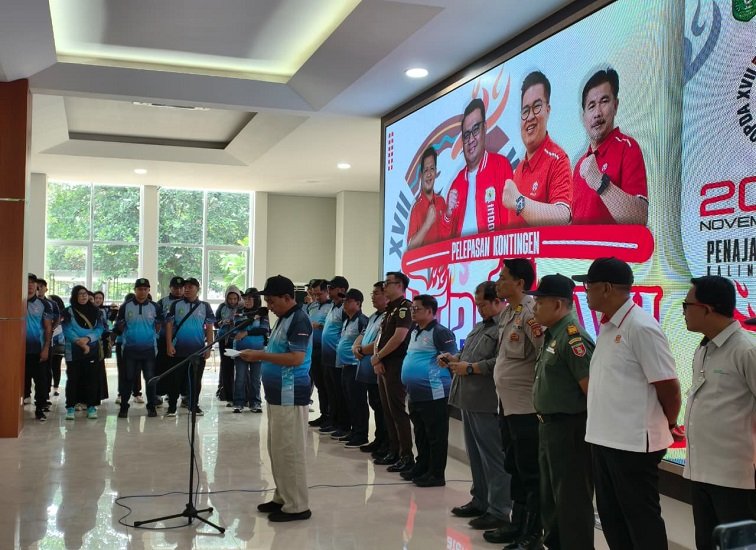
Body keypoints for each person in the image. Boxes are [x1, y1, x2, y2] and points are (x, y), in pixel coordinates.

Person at [572, 257, 681, 550]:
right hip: (604, 439)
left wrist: (667, 422)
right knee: (612, 518)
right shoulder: (609, 326)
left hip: (633, 445)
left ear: (607, 288)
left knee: (640, 519)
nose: (585, 291)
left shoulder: (641, 327)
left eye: (589, 285)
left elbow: (668, 387)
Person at [681, 275, 756, 550]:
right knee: (707, 543)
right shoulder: (704, 348)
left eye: (686, 305)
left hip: (734, 477)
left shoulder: (746, 350)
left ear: (707, 309)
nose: (684, 312)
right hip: (700, 471)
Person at [526, 274, 595, 550]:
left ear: (557, 304)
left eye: (540, 302)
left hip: (570, 429)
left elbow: (591, 391)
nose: (534, 307)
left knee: (571, 501)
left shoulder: (573, 338)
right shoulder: (553, 334)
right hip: (550, 428)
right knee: (551, 499)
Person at [242, 275, 313, 522]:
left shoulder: (299, 319)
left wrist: (259, 355)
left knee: (290, 451)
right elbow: (278, 350)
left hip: (290, 394)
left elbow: (296, 358)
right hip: (277, 394)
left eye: (272, 301)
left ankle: (298, 506)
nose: (269, 306)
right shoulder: (284, 318)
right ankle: (283, 496)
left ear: (287, 297)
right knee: (278, 449)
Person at [485, 259, 544, 549]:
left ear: (520, 283)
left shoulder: (532, 314)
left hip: (526, 409)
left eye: (503, 278)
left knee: (530, 472)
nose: (498, 282)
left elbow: (544, 357)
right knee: (514, 467)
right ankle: (517, 523)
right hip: (507, 407)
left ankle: (533, 533)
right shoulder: (509, 312)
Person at [444, 281, 512, 530]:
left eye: (483, 304)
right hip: (468, 399)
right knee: (476, 457)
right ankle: (480, 500)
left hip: (487, 401)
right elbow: (469, 355)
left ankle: (499, 510)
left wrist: (472, 368)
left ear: (497, 301)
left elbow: (502, 361)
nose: (479, 309)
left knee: (493, 459)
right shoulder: (481, 326)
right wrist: (454, 359)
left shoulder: (505, 327)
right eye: (477, 304)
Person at [572, 68, 649, 225]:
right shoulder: (579, 165)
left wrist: (600, 183)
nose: (597, 113)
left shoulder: (628, 148)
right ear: (583, 116)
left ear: (615, 105)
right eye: (591, 106)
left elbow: (639, 218)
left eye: (604, 101)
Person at [502, 71, 571, 228]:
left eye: (537, 107)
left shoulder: (558, 160)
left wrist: (519, 202)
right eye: (525, 110)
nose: (530, 117)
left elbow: (563, 216)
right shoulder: (518, 170)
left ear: (548, 109)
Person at [401, 294, 457, 486]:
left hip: (435, 393)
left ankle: (436, 474)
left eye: (416, 309)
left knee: (436, 436)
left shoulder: (440, 332)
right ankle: (422, 466)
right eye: (412, 309)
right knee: (421, 434)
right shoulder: (414, 331)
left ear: (430, 311)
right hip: (415, 394)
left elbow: (452, 358)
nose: (413, 312)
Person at [438, 98, 514, 238]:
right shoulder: (457, 183)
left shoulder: (501, 166)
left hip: (494, 251)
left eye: (475, 129)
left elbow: (512, 220)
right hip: (461, 252)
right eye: (466, 135)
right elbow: (444, 239)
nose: (471, 139)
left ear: (484, 128)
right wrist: (448, 215)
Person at [372, 271, 415, 473]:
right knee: (387, 410)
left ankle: (406, 455)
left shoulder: (405, 308)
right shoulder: (390, 310)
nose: (384, 286)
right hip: (384, 364)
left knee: (397, 410)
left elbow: (399, 337)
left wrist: (379, 356)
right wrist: (377, 358)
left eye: (387, 283)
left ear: (399, 286)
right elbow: (381, 337)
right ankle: (393, 450)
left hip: (396, 364)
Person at [164, 277, 215, 417]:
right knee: (175, 380)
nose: (186, 289)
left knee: (195, 380)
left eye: (190, 287)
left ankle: (193, 405)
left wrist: (208, 347)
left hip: (198, 350)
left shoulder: (205, 306)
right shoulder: (176, 305)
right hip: (178, 349)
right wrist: (169, 344)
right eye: (185, 287)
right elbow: (169, 325)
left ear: (197, 289)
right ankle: (172, 407)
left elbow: (209, 327)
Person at [352, 282, 389, 455]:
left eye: (376, 293)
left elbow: (380, 342)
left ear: (386, 294)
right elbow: (362, 335)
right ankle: (378, 439)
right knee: (375, 405)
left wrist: (361, 350)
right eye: (372, 293)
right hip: (367, 370)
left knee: (383, 408)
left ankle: (386, 443)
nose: (372, 297)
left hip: (380, 370)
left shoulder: (388, 316)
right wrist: (356, 346)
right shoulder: (374, 316)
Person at [115, 278, 161, 418]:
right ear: (135, 290)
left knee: (150, 379)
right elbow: (119, 325)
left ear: (149, 290)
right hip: (130, 350)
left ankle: (151, 407)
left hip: (149, 350)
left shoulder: (155, 307)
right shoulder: (126, 306)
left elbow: (158, 325)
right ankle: (124, 407)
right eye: (140, 289)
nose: (142, 292)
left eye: (145, 289)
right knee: (128, 378)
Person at [62, 285, 106, 420]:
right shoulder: (68, 311)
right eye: (80, 294)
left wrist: (87, 339)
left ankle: (91, 406)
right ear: (75, 296)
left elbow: (100, 328)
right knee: (73, 379)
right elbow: (67, 329)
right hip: (73, 350)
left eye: (85, 293)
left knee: (91, 379)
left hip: (92, 349)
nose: (83, 296)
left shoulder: (96, 311)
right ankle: (70, 407)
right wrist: (79, 342)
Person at [336, 288, 369, 447]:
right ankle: (353, 430)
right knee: (348, 400)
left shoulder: (362, 320)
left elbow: (364, 342)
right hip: (346, 366)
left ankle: (361, 434)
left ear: (358, 303)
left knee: (358, 401)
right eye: (344, 301)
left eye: (348, 301)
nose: (344, 304)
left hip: (356, 366)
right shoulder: (347, 320)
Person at [320, 276, 350, 438]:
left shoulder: (345, 309)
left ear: (341, 290)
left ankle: (343, 424)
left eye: (331, 288)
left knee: (340, 393)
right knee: (331, 392)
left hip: (337, 358)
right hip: (327, 357)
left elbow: (346, 332)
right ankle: (333, 420)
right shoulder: (333, 306)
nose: (328, 291)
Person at [232, 288, 270, 413]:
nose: (247, 301)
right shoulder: (239, 311)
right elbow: (238, 326)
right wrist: (254, 318)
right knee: (240, 378)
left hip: (258, 351)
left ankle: (255, 403)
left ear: (256, 300)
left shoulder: (263, 313)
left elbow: (264, 329)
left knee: (255, 379)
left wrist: (247, 332)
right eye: (245, 298)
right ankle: (238, 403)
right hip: (241, 351)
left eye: (250, 298)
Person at [25, 273, 53, 421]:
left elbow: (48, 328)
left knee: (40, 381)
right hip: (17, 351)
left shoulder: (43, 304)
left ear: (36, 285)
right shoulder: (15, 301)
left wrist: (46, 348)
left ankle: (40, 408)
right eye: (27, 282)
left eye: (32, 282)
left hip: (37, 349)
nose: (30, 285)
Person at [407, 146, 447, 249]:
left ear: (436, 171)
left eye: (432, 169)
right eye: (426, 170)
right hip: (425, 259)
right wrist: (427, 224)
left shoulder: (442, 202)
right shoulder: (416, 208)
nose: (429, 174)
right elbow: (410, 247)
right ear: (421, 175)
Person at [307, 279, 332, 428]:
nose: (316, 297)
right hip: (313, 349)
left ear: (327, 291)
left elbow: (334, 326)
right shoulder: (312, 306)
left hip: (326, 350)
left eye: (319, 294)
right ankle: (324, 414)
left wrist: (320, 325)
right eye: (314, 294)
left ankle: (331, 415)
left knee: (328, 385)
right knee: (319, 384)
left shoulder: (332, 307)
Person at [155, 276, 185, 402]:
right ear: (170, 288)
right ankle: (159, 393)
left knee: (181, 369)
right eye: (175, 288)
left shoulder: (189, 303)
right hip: (163, 340)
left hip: (182, 341)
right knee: (162, 367)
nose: (178, 290)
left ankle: (183, 394)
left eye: (181, 288)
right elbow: (156, 320)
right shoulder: (162, 302)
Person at [216, 285, 244, 405]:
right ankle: (228, 397)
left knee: (241, 368)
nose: (232, 301)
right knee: (227, 368)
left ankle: (242, 396)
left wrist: (234, 322)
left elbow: (245, 322)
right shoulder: (222, 307)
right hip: (224, 340)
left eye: (235, 299)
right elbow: (215, 322)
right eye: (230, 299)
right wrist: (222, 322)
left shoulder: (242, 307)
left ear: (238, 298)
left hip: (239, 340)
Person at [35, 278, 59, 407]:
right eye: (37, 286)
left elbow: (57, 318)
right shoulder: (26, 302)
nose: (39, 288)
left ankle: (45, 396)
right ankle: (26, 394)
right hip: (32, 342)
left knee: (45, 371)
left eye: (41, 286)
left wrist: (52, 329)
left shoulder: (51, 304)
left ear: (46, 289)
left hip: (47, 341)